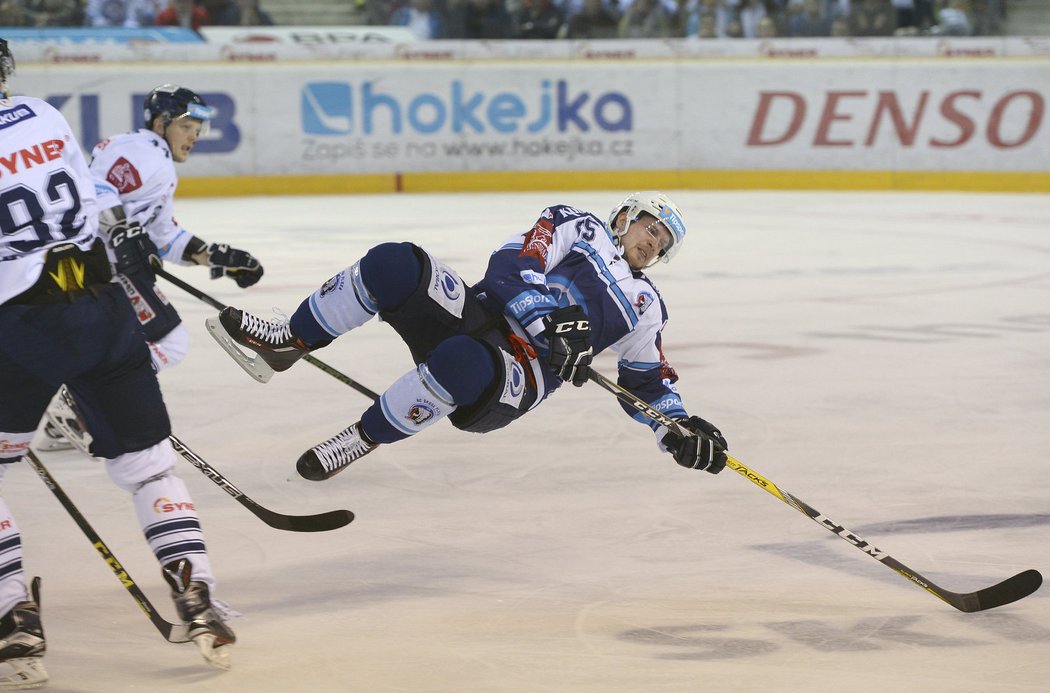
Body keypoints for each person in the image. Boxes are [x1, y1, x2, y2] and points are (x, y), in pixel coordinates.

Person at [0, 39, 235, 683]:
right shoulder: (43, 114)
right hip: (102, 307)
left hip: (21, 322)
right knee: (149, 466)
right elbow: (91, 207)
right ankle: (199, 598)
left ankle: (13, 618)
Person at [210, 192, 729, 483]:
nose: (650, 241)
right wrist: (552, 324)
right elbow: (512, 266)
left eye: (661, 242)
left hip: (517, 374)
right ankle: (289, 341)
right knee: (395, 262)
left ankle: (362, 437)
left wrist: (678, 429)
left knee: (461, 361)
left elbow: (645, 379)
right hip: (475, 310)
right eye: (649, 226)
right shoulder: (576, 224)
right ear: (625, 215)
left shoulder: (646, 307)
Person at [36, 83, 264, 451]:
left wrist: (219, 257)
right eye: (187, 126)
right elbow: (94, 188)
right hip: (98, 267)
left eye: (198, 129)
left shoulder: (155, 161)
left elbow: (164, 237)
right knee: (170, 342)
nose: (195, 136)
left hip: (104, 268)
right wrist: (124, 229)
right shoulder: (143, 151)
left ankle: (70, 415)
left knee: (123, 346)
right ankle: (87, 403)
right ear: (162, 122)